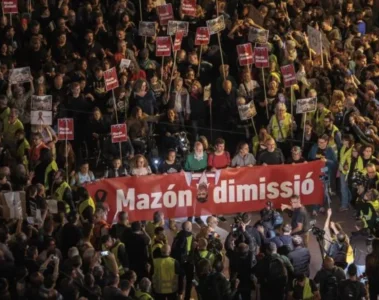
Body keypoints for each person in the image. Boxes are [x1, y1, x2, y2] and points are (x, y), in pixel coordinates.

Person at [171, 221, 195, 300]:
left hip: (178, 261)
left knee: (180, 278)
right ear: (188, 228)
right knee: (189, 280)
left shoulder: (178, 235)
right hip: (187, 262)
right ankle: (187, 297)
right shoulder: (190, 236)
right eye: (191, 227)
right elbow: (190, 250)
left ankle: (179, 295)